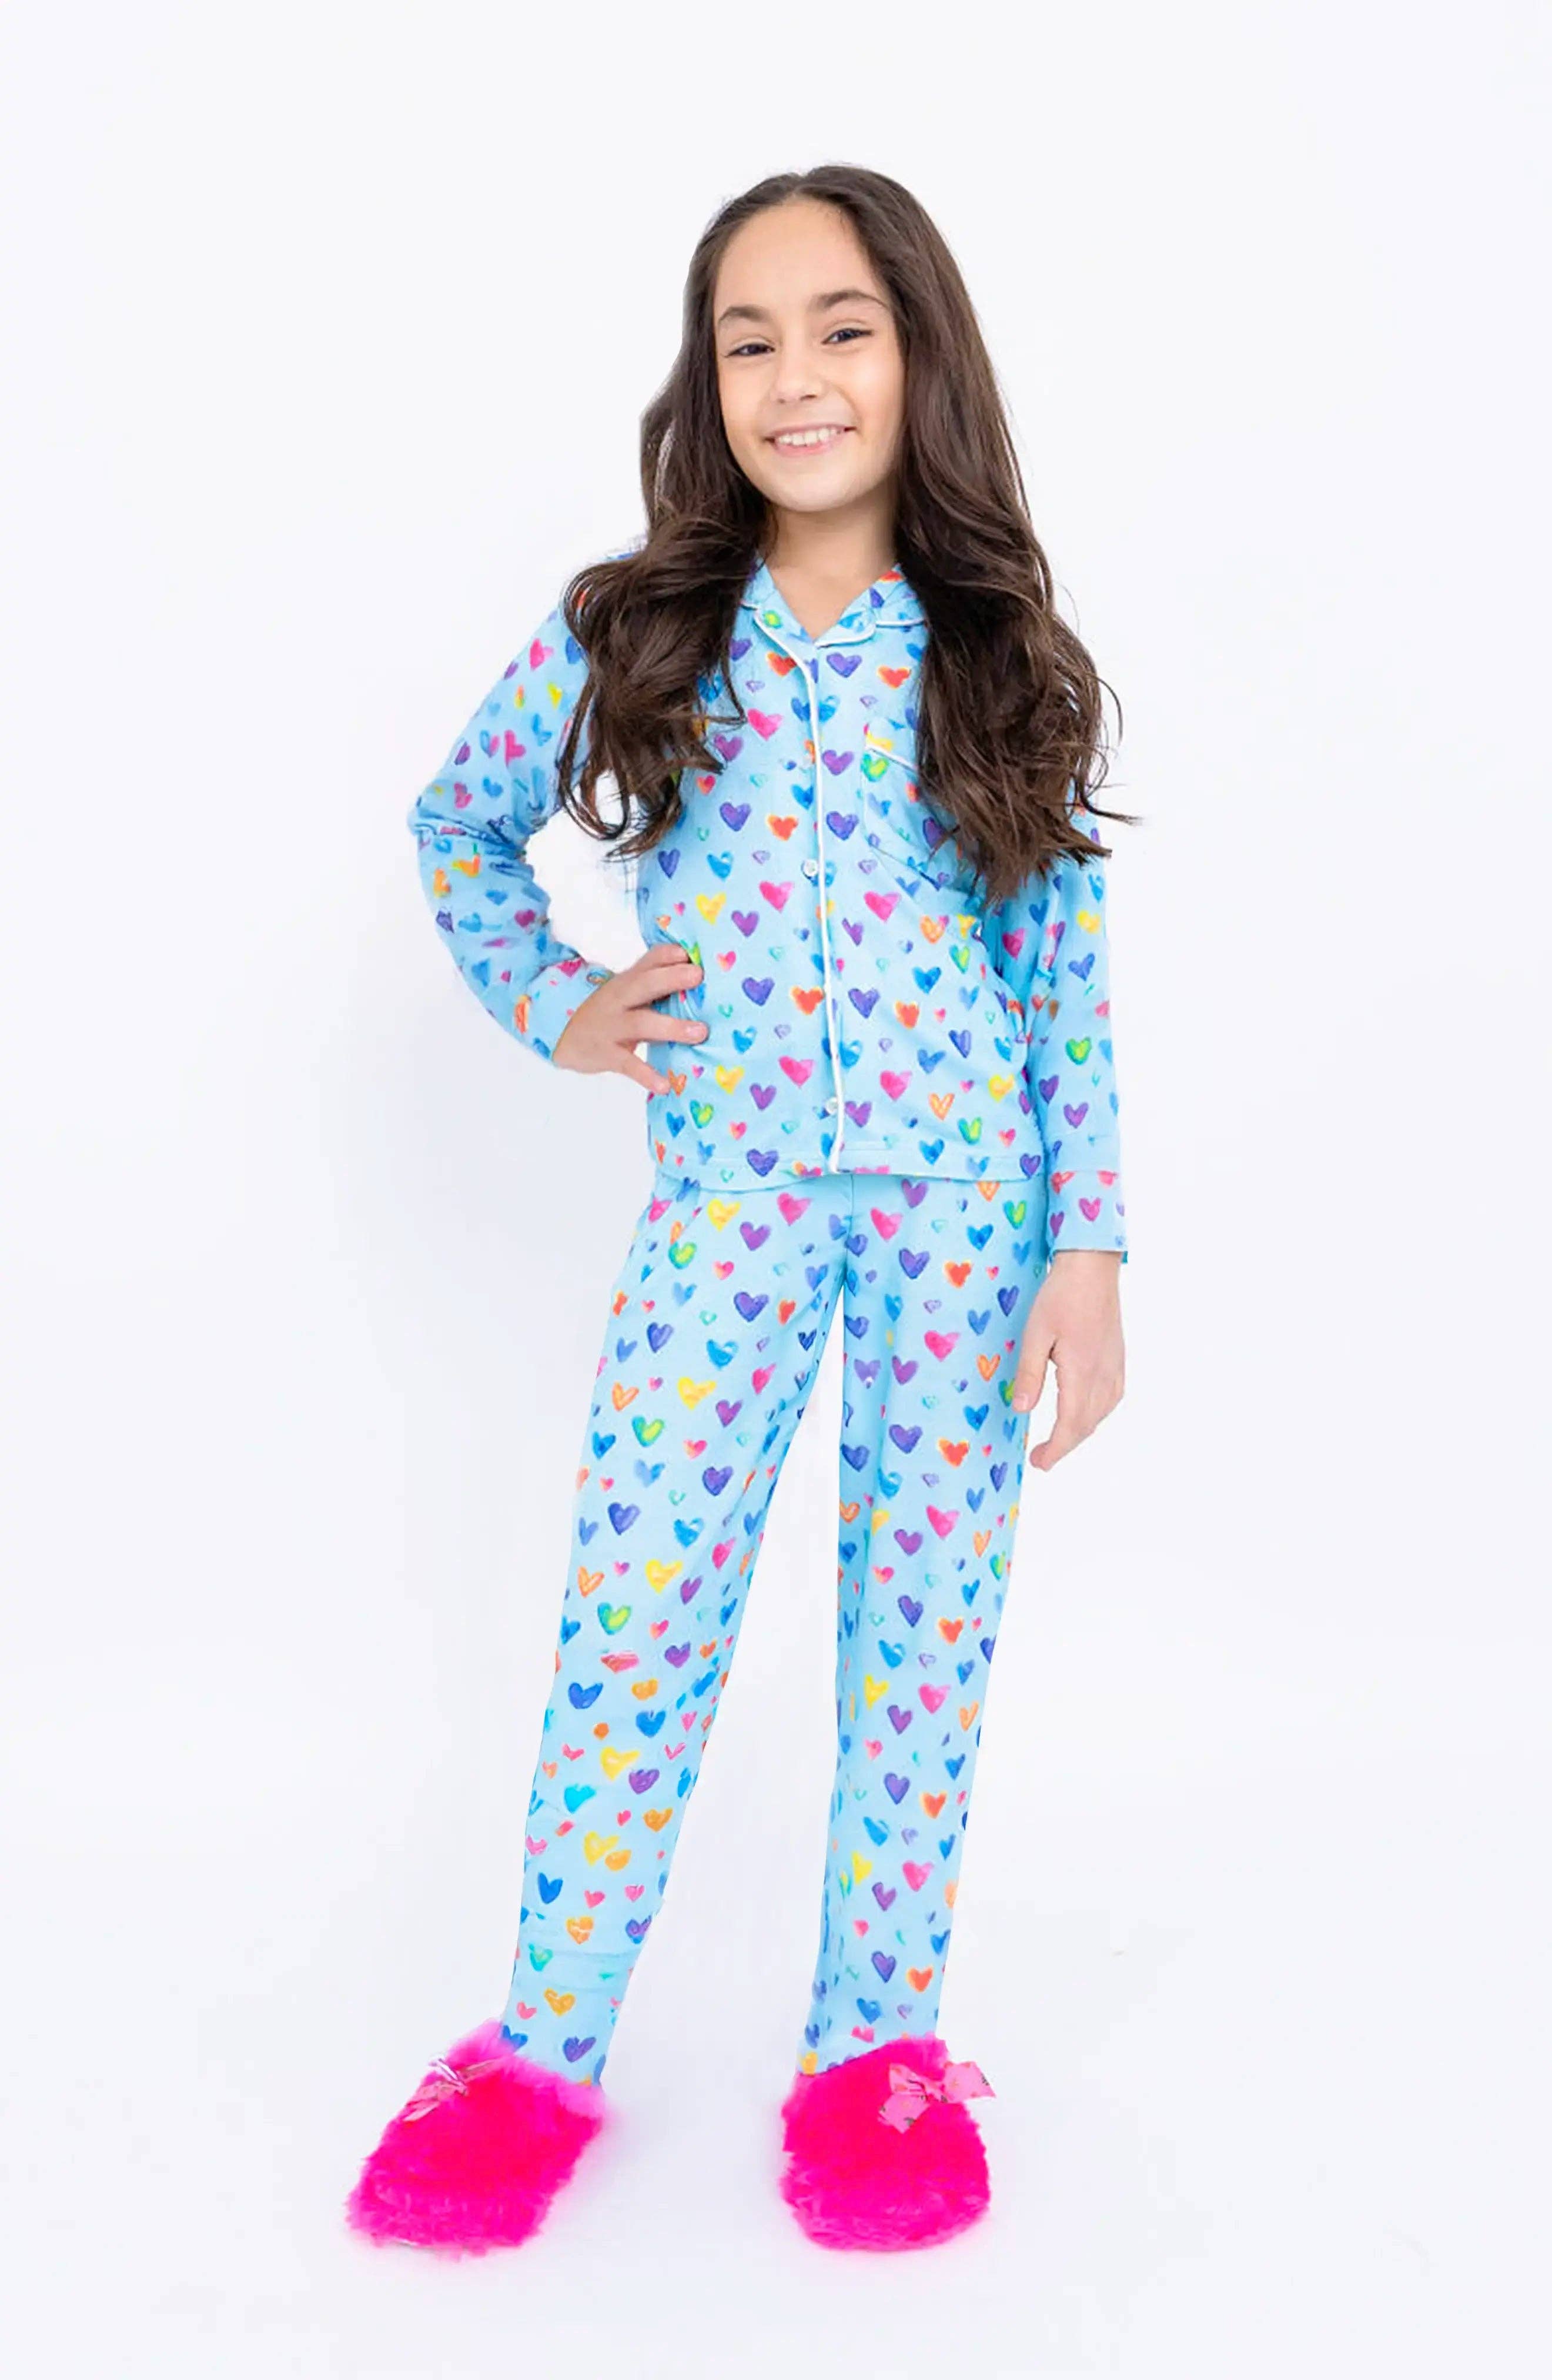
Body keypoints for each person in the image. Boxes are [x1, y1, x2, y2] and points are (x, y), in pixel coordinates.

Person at [347, 161, 1132, 2261]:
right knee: (641, 1611)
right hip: (729, 1206)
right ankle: (539, 2053)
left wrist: (1090, 1244)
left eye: (843, 328)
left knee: (925, 1639)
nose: (798, 376)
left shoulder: (997, 647)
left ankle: (877, 2058)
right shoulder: (640, 628)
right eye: (751, 338)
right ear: (708, 381)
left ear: (920, 356)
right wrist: (559, 1004)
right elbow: (459, 829)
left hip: (969, 1215)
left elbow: (1061, 961)